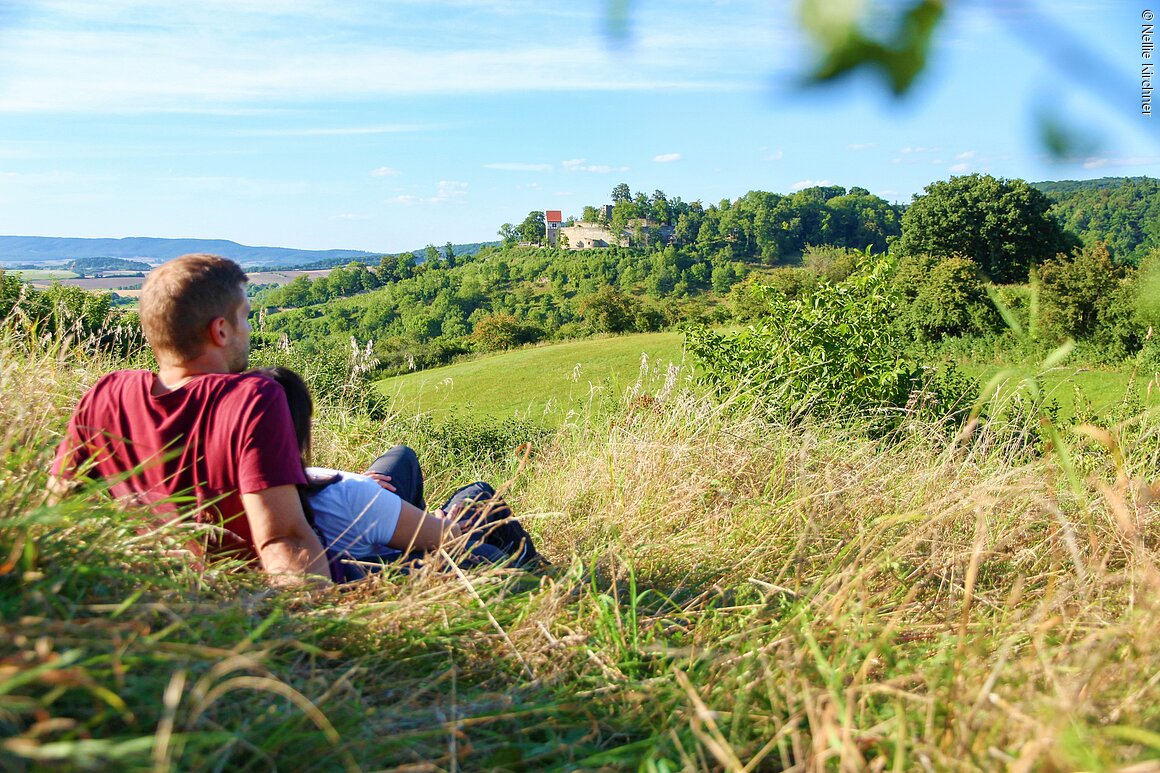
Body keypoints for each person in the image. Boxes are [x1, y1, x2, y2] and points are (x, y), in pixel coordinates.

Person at [49, 254, 331, 587]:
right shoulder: (251, 397)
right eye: (245, 317)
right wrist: (315, 628)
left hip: (161, 593)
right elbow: (284, 540)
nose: (250, 328)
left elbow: (58, 506)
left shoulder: (106, 394)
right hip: (245, 604)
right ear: (221, 330)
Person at [253, 366, 541, 582]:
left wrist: (358, 483)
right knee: (478, 493)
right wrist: (440, 524)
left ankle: (407, 516)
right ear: (302, 431)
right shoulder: (349, 495)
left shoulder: (251, 501)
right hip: (393, 557)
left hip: (356, 536)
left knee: (401, 457)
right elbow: (449, 537)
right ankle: (536, 573)